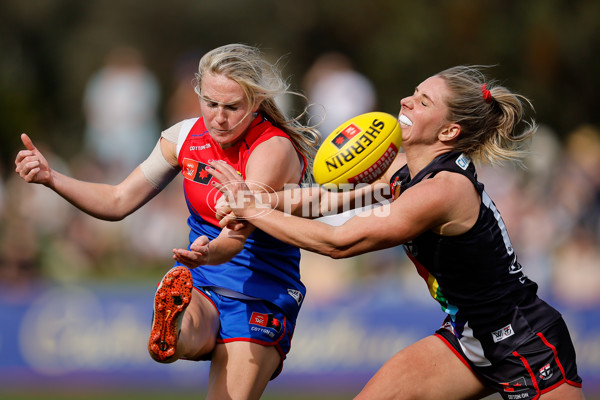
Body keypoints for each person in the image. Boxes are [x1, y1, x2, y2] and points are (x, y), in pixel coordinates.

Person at [209, 66, 585, 399]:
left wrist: (253, 210)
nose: (406, 101)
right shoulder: (402, 172)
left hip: (526, 342)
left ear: (449, 130)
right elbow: (323, 200)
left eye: (423, 102)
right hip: (467, 337)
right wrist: (257, 199)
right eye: (413, 92)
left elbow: (339, 242)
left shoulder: (444, 190)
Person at [15, 43, 320, 399]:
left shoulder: (272, 149)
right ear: (197, 95)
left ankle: (180, 329)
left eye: (232, 107)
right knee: (182, 329)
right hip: (202, 280)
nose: (218, 117)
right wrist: (52, 178)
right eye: (210, 103)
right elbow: (118, 200)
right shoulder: (184, 137)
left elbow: (235, 238)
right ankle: (174, 328)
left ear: (254, 104)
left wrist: (208, 253)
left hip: (260, 291)